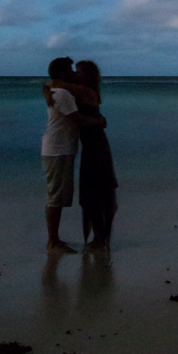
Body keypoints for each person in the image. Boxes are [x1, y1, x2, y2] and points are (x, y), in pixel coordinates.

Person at [41, 56, 106, 254]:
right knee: (56, 196)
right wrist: (100, 121)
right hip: (58, 149)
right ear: (62, 73)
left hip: (62, 148)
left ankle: (56, 240)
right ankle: (53, 242)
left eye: (77, 71)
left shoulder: (60, 91)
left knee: (59, 195)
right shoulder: (62, 94)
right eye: (70, 70)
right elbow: (78, 120)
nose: (73, 74)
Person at [73, 59, 118, 251]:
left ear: (87, 75)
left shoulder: (85, 91)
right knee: (99, 189)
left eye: (78, 72)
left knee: (94, 190)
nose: (75, 75)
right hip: (96, 144)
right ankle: (101, 236)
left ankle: (100, 238)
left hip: (95, 146)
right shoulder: (89, 91)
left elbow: (56, 84)